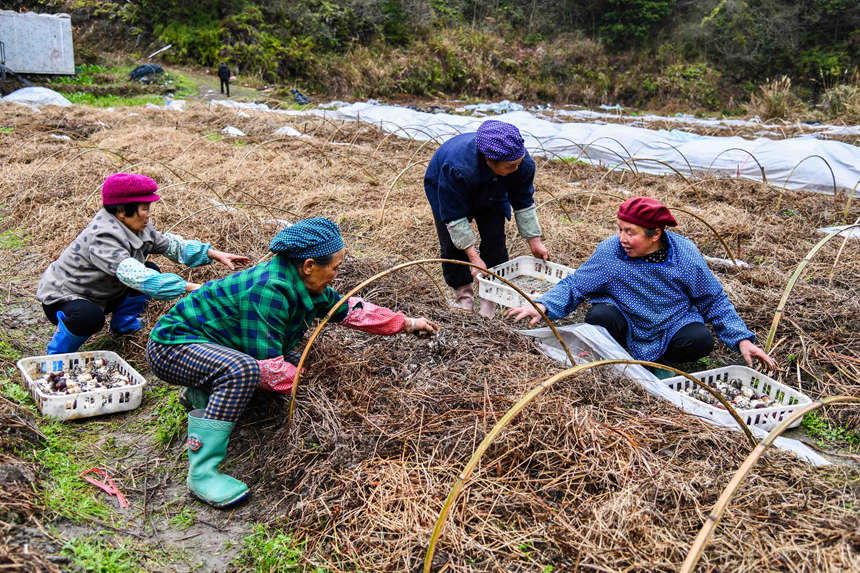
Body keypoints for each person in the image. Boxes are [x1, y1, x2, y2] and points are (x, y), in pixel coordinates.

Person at [146, 217, 439, 508]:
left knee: (289, 360)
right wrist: (315, 390)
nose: (336, 275)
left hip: (211, 347)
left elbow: (348, 308)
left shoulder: (300, 281)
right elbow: (270, 367)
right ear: (309, 265)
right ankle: (202, 473)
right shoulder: (269, 289)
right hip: (172, 347)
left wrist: (407, 323)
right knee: (243, 370)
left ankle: (203, 392)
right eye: (334, 268)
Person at [506, 197, 775, 374]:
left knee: (700, 340)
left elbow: (712, 299)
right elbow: (577, 285)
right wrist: (543, 305)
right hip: (626, 318)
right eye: (620, 229)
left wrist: (740, 339)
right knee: (600, 316)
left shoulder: (685, 254)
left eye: (630, 232)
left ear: (656, 234)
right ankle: (618, 356)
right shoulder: (611, 253)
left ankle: (658, 363)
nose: (621, 237)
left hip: (671, 322)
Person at [36, 173, 248, 355]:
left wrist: (213, 253)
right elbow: (138, 278)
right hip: (66, 297)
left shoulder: (137, 224)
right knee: (89, 318)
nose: (149, 212)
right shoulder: (103, 236)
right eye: (144, 207)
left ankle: (123, 324)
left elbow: (170, 246)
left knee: (151, 268)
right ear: (121, 210)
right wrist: (191, 287)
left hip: (104, 292)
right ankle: (57, 355)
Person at [424, 120, 549, 318]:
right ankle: (464, 297)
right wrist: (474, 259)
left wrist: (535, 241)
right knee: (452, 245)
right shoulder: (456, 168)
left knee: (495, 240)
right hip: (446, 185)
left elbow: (523, 201)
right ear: (489, 160)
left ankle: (489, 297)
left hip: (494, 189)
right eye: (510, 166)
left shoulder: (521, 164)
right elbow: (454, 217)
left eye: (518, 163)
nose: (516, 168)